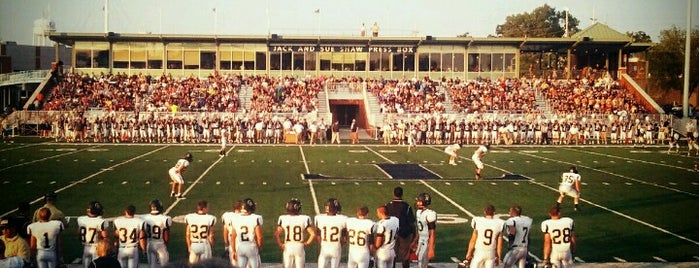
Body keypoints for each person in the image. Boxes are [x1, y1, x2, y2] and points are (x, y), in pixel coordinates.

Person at [275, 198, 316, 268]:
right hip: (299, 246)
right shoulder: (304, 218)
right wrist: (307, 243)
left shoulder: (283, 218)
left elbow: (276, 233)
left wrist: (280, 244)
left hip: (288, 246)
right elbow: (313, 234)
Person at [385, 186, 415, 268]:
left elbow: (385, 220)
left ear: (393, 194)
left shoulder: (388, 205)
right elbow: (411, 222)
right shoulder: (407, 206)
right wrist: (413, 236)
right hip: (405, 233)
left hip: (392, 233)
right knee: (405, 256)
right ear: (402, 194)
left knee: (393, 254)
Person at [230, 198, 263, 268]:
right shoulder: (256, 218)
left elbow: (233, 237)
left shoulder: (235, 218)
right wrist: (259, 248)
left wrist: (233, 250)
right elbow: (259, 237)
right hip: (251, 246)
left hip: (240, 247)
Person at [314, 198, 347, 268]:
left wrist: (322, 243)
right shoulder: (343, 219)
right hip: (336, 248)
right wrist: (339, 245)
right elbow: (344, 239)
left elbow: (317, 235)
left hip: (324, 248)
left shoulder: (319, 218)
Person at [77, 201, 109, 268]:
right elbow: (105, 237)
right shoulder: (101, 221)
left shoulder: (81, 219)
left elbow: (79, 233)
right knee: (97, 266)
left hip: (86, 247)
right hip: (96, 248)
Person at [142, 199, 172, 268]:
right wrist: (166, 243)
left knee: (152, 265)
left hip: (150, 244)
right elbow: (166, 235)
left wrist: (143, 246)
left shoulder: (144, 218)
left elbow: (143, 233)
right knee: (164, 265)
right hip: (160, 244)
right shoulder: (165, 218)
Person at [413, 193, 436, 268]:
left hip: (427, 240)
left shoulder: (430, 214)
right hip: (421, 239)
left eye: (420, 201)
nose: (417, 203)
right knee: (420, 261)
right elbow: (420, 229)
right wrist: (414, 241)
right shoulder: (418, 212)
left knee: (422, 262)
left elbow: (432, 232)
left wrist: (431, 248)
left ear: (425, 202)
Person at [221, 200, 242, 267]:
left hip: (231, 241)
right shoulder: (244, 217)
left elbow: (225, 231)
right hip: (241, 241)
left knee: (234, 263)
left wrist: (226, 244)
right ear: (241, 207)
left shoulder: (227, 216)